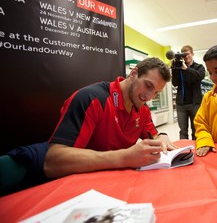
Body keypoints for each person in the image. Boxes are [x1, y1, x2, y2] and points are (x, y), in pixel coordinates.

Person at [44, 57, 178, 179]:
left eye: (156, 93)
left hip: (116, 182)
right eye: (148, 86)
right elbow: (53, 161)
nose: (149, 96)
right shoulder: (91, 98)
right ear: (133, 74)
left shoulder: (143, 109)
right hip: (78, 184)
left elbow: (154, 136)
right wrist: (124, 157)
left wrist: (163, 136)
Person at [171, 45, 205, 140]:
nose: (186, 56)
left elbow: (200, 76)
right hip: (181, 105)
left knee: (196, 129)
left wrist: (187, 69)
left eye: (188, 54)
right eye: (184, 55)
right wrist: (175, 69)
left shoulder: (199, 67)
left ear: (192, 54)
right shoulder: (179, 67)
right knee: (183, 131)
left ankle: (196, 150)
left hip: (195, 104)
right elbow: (175, 83)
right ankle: (184, 152)